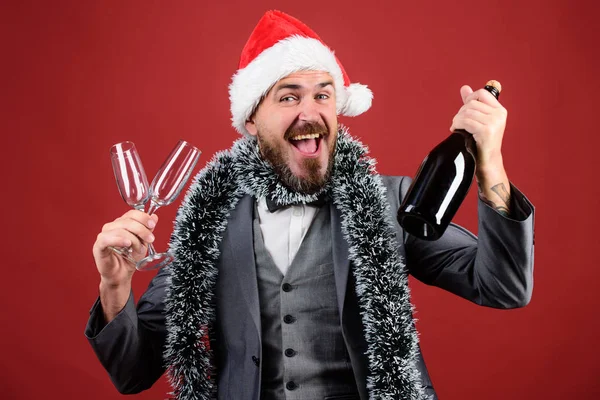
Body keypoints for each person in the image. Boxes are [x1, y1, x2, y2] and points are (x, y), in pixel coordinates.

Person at [86, 10, 535, 400]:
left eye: (323, 94)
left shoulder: (388, 202)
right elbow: (132, 372)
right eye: (288, 96)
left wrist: (490, 165)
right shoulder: (206, 223)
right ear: (252, 120)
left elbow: (503, 287)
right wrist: (114, 286)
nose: (310, 111)